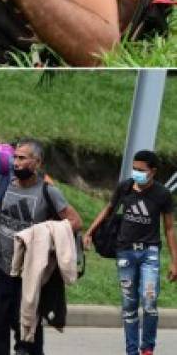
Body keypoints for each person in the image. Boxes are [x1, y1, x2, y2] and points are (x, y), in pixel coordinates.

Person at [0, 138, 83, 355]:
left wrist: (45, 231)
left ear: (37, 162)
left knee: (27, 334)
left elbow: (75, 222)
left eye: (22, 158)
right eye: (15, 157)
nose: (16, 162)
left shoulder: (48, 192)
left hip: (30, 275)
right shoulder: (1, 183)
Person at [84, 150, 177, 355]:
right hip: (125, 252)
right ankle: (132, 350)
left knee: (150, 301)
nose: (136, 173)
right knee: (129, 305)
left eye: (141, 170)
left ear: (153, 171)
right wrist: (89, 232)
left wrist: (174, 261)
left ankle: (147, 348)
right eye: (134, 168)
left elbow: (169, 228)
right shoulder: (125, 187)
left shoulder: (162, 194)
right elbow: (108, 209)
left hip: (149, 254)